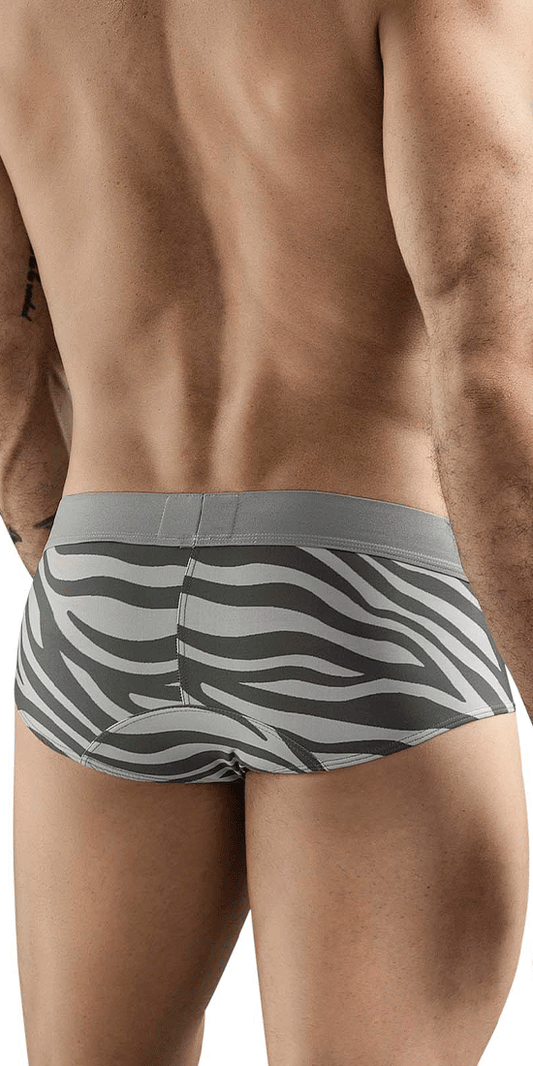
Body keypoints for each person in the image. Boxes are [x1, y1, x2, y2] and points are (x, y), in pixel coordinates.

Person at [1, 0, 530, 1062]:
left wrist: (83, 577)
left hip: (98, 597)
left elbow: (9, 358)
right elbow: (483, 365)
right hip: (367, 605)